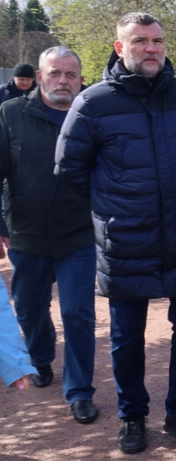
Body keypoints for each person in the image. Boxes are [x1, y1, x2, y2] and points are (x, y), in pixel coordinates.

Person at [56, 12, 176, 456]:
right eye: (141, 41)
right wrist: (115, 206)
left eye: (158, 41)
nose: (151, 48)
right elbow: (70, 170)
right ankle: (132, 415)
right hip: (126, 239)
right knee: (127, 335)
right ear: (119, 47)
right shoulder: (93, 103)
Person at [0, 46, 98, 423]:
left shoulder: (93, 115)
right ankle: (40, 358)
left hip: (79, 234)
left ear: (80, 79)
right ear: (39, 77)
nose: (62, 81)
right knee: (29, 308)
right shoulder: (11, 114)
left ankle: (79, 391)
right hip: (26, 233)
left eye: (70, 75)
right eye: (54, 73)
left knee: (78, 313)